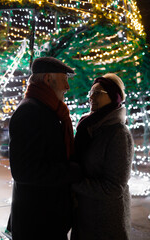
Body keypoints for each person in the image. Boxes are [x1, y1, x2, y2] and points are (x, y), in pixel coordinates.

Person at [7, 57, 82, 240]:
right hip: (37, 224)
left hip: (46, 220)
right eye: (64, 79)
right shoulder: (30, 112)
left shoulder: (47, 110)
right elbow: (24, 171)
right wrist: (71, 171)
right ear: (48, 79)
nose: (67, 87)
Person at [71, 73, 134, 240]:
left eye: (98, 93)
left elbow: (114, 188)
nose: (91, 97)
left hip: (105, 221)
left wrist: (74, 182)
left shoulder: (119, 133)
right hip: (84, 215)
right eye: (90, 93)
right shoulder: (89, 127)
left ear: (114, 97)